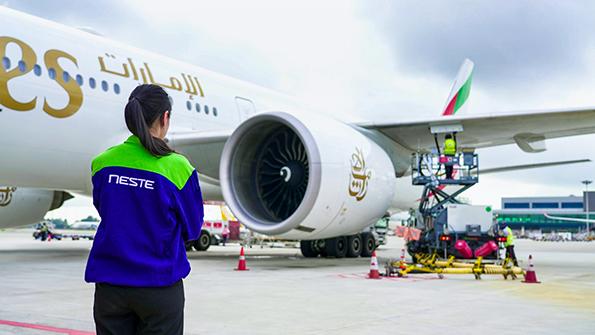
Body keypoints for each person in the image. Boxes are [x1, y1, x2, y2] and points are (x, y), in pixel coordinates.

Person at [85, 84, 204, 335]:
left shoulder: (103, 163)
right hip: (159, 284)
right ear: (165, 117)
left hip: (110, 287)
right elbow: (193, 228)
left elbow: (106, 210)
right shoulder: (178, 168)